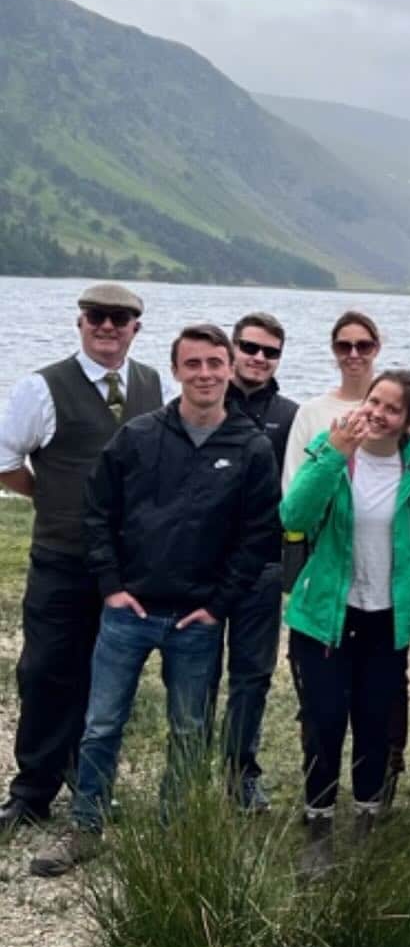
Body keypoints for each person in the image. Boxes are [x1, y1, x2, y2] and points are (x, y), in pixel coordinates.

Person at [30, 325, 279, 876]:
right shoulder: (137, 436)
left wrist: (218, 605)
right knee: (101, 723)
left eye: (216, 363)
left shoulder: (251, 447)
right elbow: (98, 514)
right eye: (194, 364)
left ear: (230, 368)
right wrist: (111, 587)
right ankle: (86, 825)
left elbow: (258, 536)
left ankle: (175, 834)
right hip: (128, 611)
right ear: (176, 370)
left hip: (198, 619)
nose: (206, 374)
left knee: (190, 731)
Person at [0, 283, 162, 831]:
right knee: (47, 671)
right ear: (80, 322)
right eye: (97, 316)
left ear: (136, 327)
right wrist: (51, 495)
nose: (108, 326)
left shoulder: (150, 383)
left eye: (120, 318)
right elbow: (4, 461)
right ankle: (32, 791)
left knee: (108, 677)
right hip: (63, 556)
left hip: (124, 565)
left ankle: (89, 782)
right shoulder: (42, 387)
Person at [280, 368, 410, 878]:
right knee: (325, 721)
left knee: (376, 724)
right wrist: (334, 452)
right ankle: (318, 826)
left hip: (388, 618)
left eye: (392, 409)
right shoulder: (329, 447)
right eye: (374, 400)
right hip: (328, 615)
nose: (377, 413)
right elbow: (293, 515)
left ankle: (368, 820)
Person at [214, 312, 298, 812]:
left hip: (263, 565)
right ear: (233, 347)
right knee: (196, 675)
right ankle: (186, 770)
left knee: (252, 674)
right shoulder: (200, 402)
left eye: (270, 352)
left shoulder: (289, 415)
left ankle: (240, 769)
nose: (259, 358)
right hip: (199, 566)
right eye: (250, 347)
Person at [282, 310, 382, 489]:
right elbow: (293, 481)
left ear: (376, 349)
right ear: (334, 350)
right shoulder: (310, 412)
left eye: (363, 346)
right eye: (344, 347)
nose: (353, 354)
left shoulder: (394, 410)